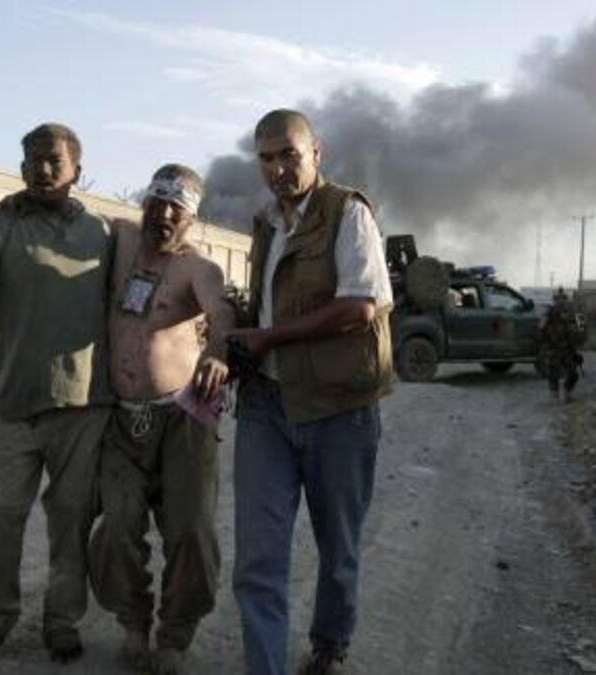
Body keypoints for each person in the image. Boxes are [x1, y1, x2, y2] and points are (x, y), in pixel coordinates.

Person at [0, 123, 112, 663]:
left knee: (71, 520)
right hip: (16, 406)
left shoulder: (103, 234)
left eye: (54, 159)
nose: (42, 169)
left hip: (84, 407)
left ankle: (62, 620)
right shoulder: (1, 229)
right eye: (32, 160)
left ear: (78, 170)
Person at [228, 109, 394, 675]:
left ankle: (330, 643)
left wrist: (269, 336)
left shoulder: (348, 212)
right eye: (266, 159)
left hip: (338, 408)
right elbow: (263, 307)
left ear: (315, 153)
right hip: (266, 407)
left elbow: (360, 307)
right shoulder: (266, 224)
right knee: (258, 559)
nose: (278, 169)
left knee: (337, 547)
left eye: (289, 155)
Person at [87, 164, 233, 675]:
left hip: (182, 418)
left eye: (178, 208)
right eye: (158, 202)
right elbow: (67, 216)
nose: (165, 214)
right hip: (121, 420)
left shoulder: (198, 268)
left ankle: (174, 635)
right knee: (116, 528)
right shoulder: (120, 239)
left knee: (191, 531)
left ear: (191, 218)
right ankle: (132, 621)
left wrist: (217, 352)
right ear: (144, 202)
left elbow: (222, 313)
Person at [539, 293, 583, 403]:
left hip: (566, 348)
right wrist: (548, 343)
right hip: (553, 348)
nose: (560, 303)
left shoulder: (570, 314)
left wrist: (575, 349)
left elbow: (577, 331)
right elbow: (541, 330)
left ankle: (567, 393)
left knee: (573, 373)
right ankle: (554, 394)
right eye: (558, 300)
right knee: (553, 372)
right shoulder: (549, 315)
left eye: (563, 300)